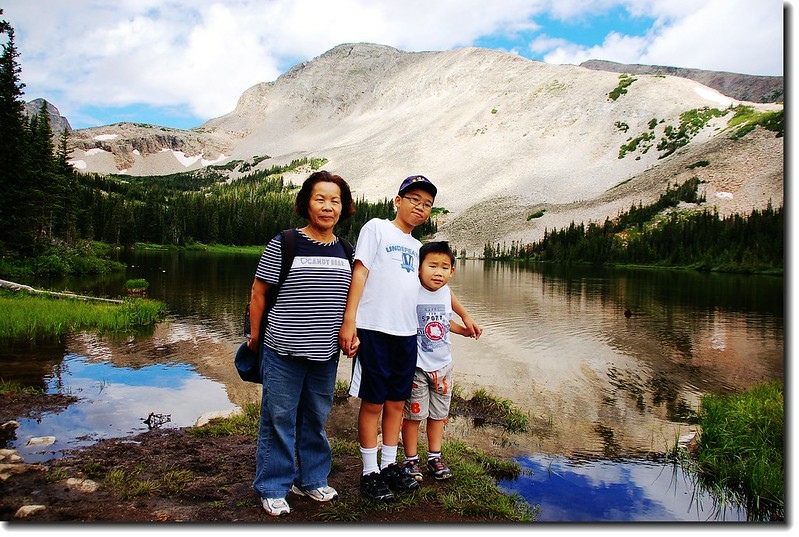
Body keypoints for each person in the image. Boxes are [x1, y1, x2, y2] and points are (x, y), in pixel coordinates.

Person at [338, 175, 482, 502]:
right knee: (373, 402)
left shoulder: (419, 249)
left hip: (407, 335)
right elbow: (360, 272)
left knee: (396, 403)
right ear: (398, 200)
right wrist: (350, 321)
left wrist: (465, 316)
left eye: (427, 204)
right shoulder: (376, 228)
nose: (420, 207)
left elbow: (439, 288)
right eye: (414, 199)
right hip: (375, 329)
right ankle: (369, 472)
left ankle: (390, 465)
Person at [247, 170, 357, 517]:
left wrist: (352, 333)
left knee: (315, 418)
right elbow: (259, 292)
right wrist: (255, 336)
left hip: (325, 353)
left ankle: (311, 479)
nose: (327, 206)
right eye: (319, 199)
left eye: (335, 200)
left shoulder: (346, 249)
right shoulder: (286, 242)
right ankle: (273, 486)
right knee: (278, 419)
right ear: (306, 203)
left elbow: (351, 301)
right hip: (282, 348)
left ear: (343, 207)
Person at [401, 241, 478, 483]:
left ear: (452, 271)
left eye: (445, 267)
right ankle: (411, 460)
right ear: (419, 267)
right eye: (432, 265)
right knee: (413, 416)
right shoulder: (412, 289)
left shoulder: (445, 291)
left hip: (443, 367)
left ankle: (435, 457)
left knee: (438, 415)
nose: (438, 272)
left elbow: (445, 319)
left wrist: (464, 325)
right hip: (416, 367)